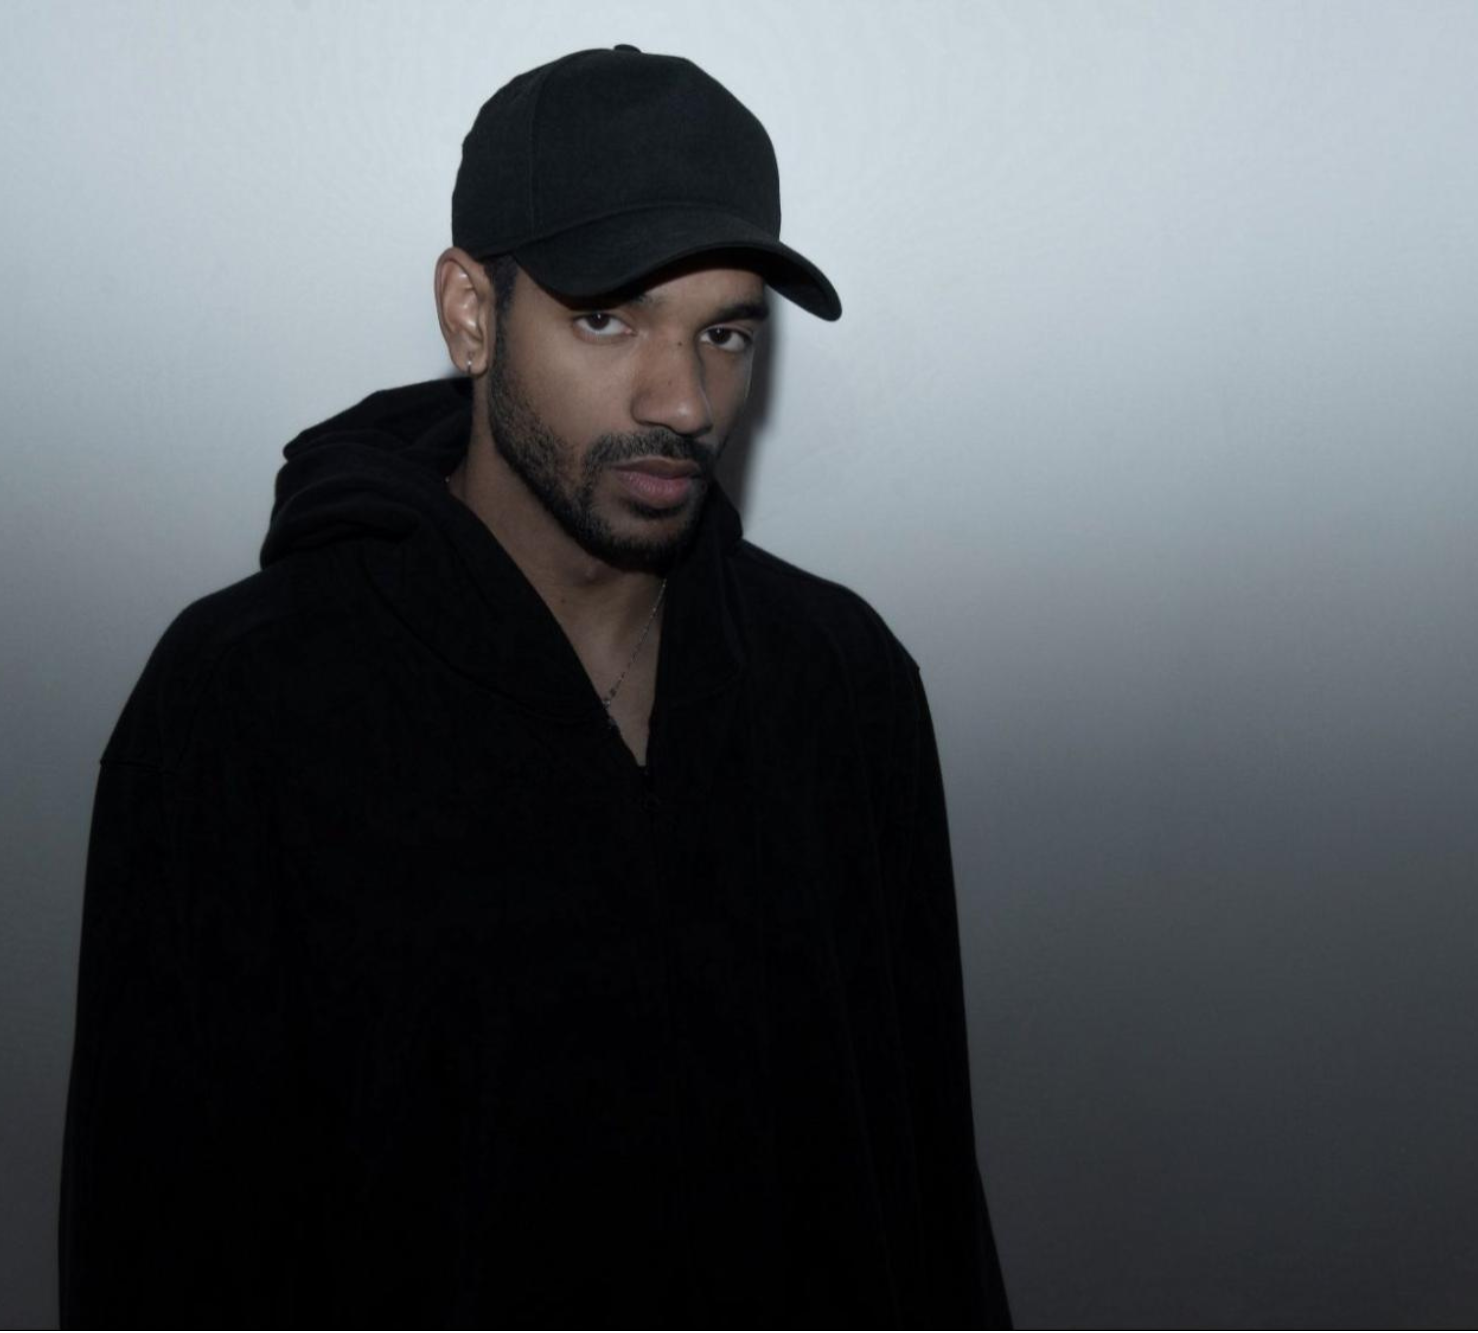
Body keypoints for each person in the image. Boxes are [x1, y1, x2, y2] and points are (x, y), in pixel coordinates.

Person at [59, 44, 1011, 1328]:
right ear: (471, 313)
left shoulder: (842, 682)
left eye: (725, 332)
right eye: (606, 317)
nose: (683, 400)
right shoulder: (245, 703)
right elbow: (156, 1240)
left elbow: (926, 1190)